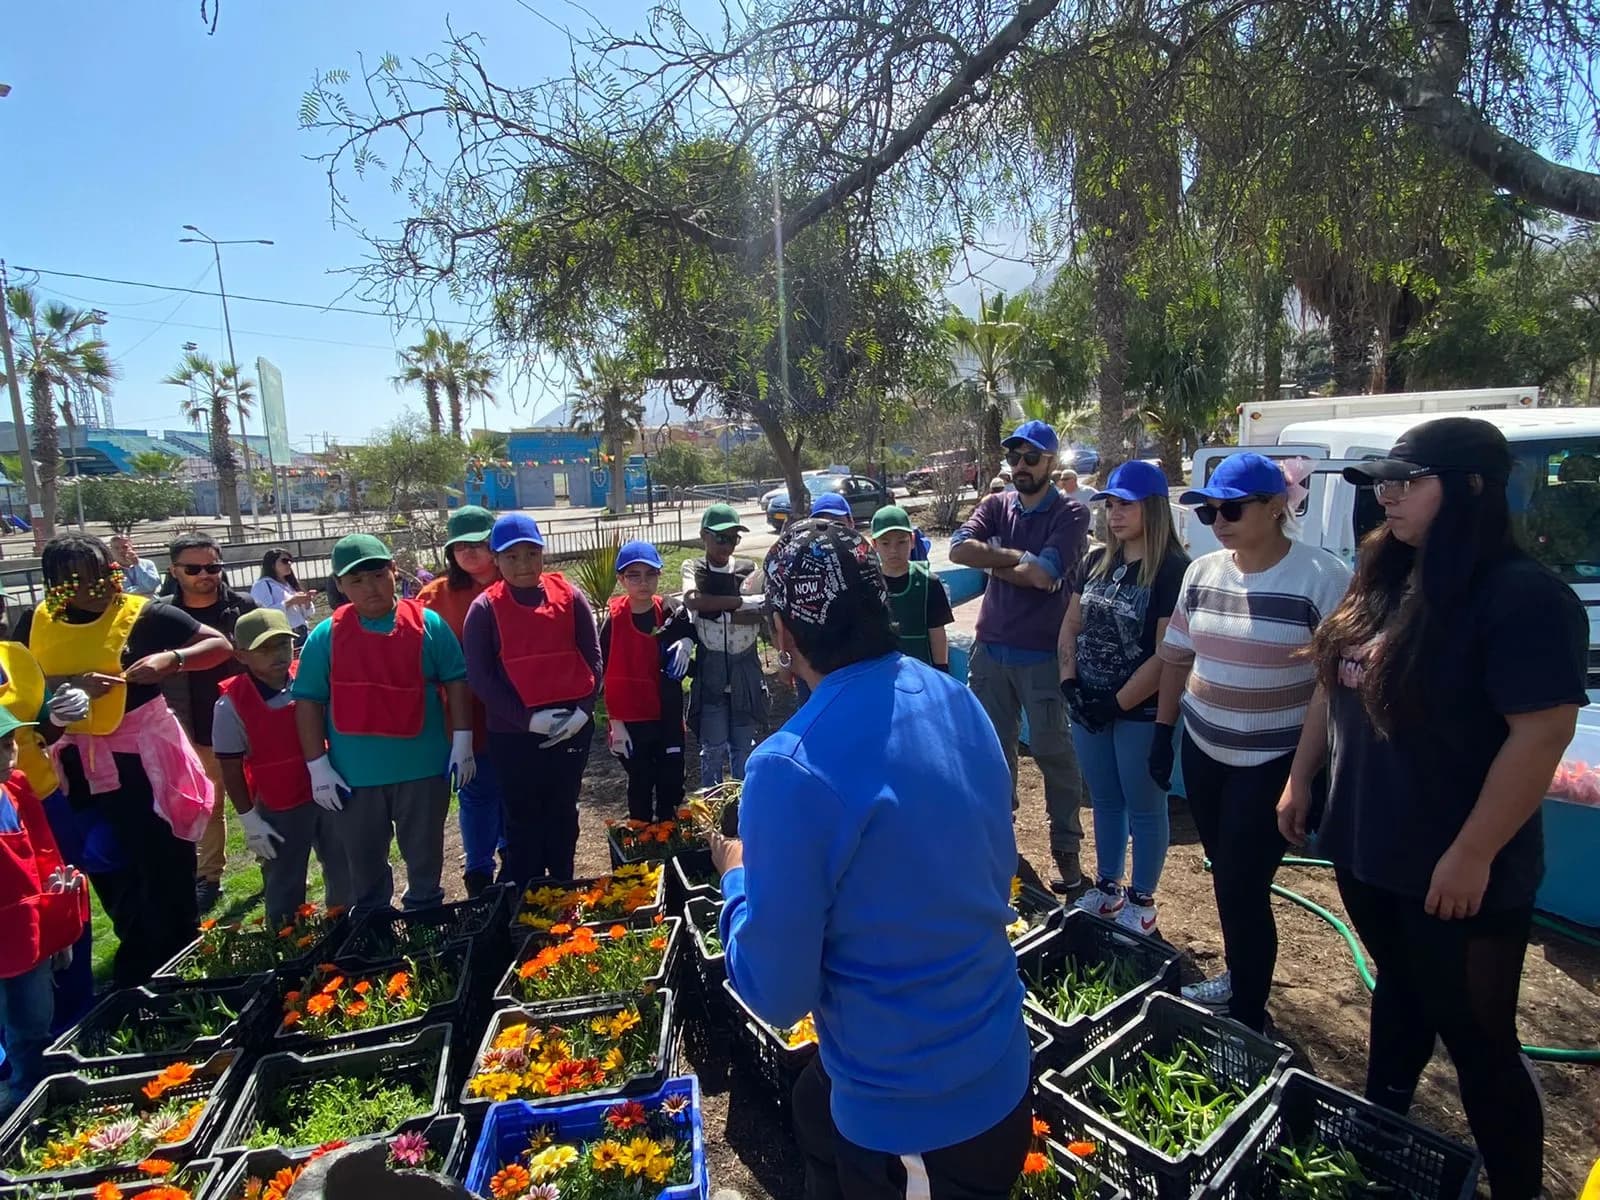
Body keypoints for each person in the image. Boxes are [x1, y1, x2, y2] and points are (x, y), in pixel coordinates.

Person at [1286, 418, 1583, 1199]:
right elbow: (1332, 683)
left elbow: (1542, 732)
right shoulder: (1382, 574)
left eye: (1406, 480)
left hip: (1459, 870)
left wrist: (1474, 851)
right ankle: (1380, 1128)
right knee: (1401, 992)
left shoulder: (1521, 596)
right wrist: (1302, 779)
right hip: (1367, 844)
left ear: (1473, 487)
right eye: (1381, 480)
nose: (1387, 494)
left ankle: (1516, 1186)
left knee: (1479, 1041)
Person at [712, 520, 1030, 1200]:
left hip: (918, 1115)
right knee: (812, 1107)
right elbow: (992, 854)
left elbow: (777, 990)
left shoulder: (789, 766)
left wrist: (736, 878)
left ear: (784, 636)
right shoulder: (953, 695)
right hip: (994, 1049)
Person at [1152, 452, 1350, 1030]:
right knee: (1225, 871)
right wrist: (1164, 733)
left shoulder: (1323, 578)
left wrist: (1300, 779)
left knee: (1243, 881)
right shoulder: (1202, 572)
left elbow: (1329, 688)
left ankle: (1247, 1014)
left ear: (1275, 507)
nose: (1219, 520)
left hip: (1272, 759)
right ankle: (1242, 975)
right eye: (1210, 510)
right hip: (1206, 750)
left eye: (1232, 509)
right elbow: (1176, 657)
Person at [20, 534, 228, 986]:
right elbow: (22, 691)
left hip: (143, 762)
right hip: (78, 766)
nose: (98, 588)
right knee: (106, 865)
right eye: (81, 580)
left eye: (104, 575)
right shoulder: (34, 623)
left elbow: (217, 645)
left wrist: (172, 659)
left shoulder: (142, 614)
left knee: (165, 863)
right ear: (55, 584)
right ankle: (137, 953)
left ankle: (180, 954)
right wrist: (55, 704)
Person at [292, 533, 475, 917]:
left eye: (377, 575)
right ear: (339, 586)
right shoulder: (326, 636)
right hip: (354, 776)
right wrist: (317, 766)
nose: (370, 588)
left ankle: (425, 914)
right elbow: (308, 700)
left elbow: (456, 680)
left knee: (425, 852)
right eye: (356, 581)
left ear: (393, 572)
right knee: (364, 858)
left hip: (423, 768)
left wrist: (463, 741)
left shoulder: (428, 625)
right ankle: (375, 922)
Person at [950, 420, 1090, 893]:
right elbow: (959, 549)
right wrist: (1019, 561)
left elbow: (1047, 573)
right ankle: (997, 842)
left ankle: (1066, 851)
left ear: (1052, 461)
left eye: (1032, 457)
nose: (1021, 466)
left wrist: (997, 557)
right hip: (990, 654)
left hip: (1044, 656)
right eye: (1014, 458)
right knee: (992, 753)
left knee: (1054, 754)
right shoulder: (995, 503)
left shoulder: (1071, 514)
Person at [1058, 461, 1189, 934]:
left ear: (1152, 508)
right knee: (1106, 799)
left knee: (1146, 804)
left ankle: (1143, 898)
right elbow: (1072, 624)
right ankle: (1108, 886)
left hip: (1140, 711)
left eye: (1125, 504)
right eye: (1110, 504)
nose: (1114, 514)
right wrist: (1069, 682)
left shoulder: (1172, 570)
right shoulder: (1096, 563)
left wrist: (1118, 702)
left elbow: (1167, 654)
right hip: (1088, 704)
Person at [463, 514, 601, 886]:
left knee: (562, 812)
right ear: (495, 559)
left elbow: (593, 657)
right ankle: (528, 897)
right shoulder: (485, 609)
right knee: (522, 816)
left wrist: (583, 712)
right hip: (514, 735)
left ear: (542, 553)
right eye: (512, 557)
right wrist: (526, 720)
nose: (523, 564)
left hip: (571, 727)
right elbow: (481, 678)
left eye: (531, 553)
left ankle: (562, 885)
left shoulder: (570, 597)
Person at [212, 609, 352, 924]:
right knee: (284, 881)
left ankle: (347, 929)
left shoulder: (310, 677)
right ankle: (289, 945)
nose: (276, 655)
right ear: (242, 656)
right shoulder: (231, 704)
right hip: (280, 804)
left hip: (328, 792)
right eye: (264, 649)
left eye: (282, 645)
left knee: (344, 868)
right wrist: (250, 820)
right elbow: (231, 768)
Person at [153, 533, 258, 913]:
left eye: (213, 567)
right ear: (174, 570)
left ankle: (273, 862)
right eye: (193, 568)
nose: (205, 576)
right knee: (207, 806)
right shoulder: (161, 615)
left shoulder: (243, 607)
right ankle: (209, 876)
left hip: (249, 723)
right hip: (191, 726)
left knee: (263, 798)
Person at [0, 618, 94, 1032]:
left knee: (63, 899)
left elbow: (39, 728)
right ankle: (17, 1042)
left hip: (37, 798)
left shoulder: (15, 656)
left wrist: (59, 713)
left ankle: (74, 1016)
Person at [0, 709, 88, 1118]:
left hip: (24, 930)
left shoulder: (17, 788)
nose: (9, 756)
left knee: (32, 1018)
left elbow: (45, 856)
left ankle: (29, 1096)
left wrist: (58, 927)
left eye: (9, 743)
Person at [418, 506, 506, 896]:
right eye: (459, 546)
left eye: (479, 543)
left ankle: (513, 855)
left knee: (513, 787)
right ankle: (478, 869)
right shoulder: (435, 597)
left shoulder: (519, 580)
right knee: (476, 790)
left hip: (515, 710)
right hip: (464, 714)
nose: (469, 553)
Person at [599, 541, 696, 824]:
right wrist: (614, 722)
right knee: (640, 782)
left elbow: (688, 626)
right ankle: (641, 850)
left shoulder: (667, 611)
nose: (643, 582)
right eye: (634, 575)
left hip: (665, 716)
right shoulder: (613, 621)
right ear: (621, 579)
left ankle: (669, 842)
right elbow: (601, 671)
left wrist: (687, 640)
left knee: (671, 781)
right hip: (630, 720)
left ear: (659, 575)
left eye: (650, 574)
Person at [682, 504, 767, 786]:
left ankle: (743, 809)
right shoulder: (693, 567)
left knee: (744, 746)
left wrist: (716, 608)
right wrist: (739, 603)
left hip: (746, 671)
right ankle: (712, 810)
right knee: (713, 747)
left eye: (733, 538)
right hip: (712, 672)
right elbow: (694, 601)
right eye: (721, 538)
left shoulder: (748, 568)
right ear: (704, 536)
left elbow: (761, 611)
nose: (727, 545)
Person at [869, 506, 953, 670]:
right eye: (885, 543)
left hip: (922, 671)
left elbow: (937, 632)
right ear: (874, 545)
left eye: (901, 542)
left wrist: (941, 670)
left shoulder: (929, 583)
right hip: (880, 673)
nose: (893, 550)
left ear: (913, 540)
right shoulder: (867, 583)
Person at [250, 549, 318, 647]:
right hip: (284, 637)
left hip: (303, 633)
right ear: (272, 564)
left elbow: (307, 614)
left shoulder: (290, 584)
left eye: (290, 561)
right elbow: (262, 614)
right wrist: (290, 602)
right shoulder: (262, 585)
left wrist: (306, 601)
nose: (289, 563)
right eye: (284, 561)